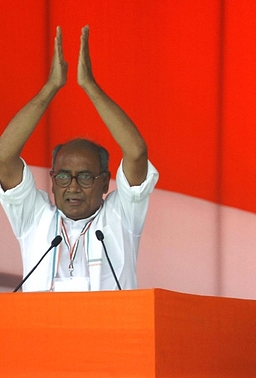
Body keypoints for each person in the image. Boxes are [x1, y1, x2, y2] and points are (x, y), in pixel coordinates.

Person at [0, 26, 159, 292]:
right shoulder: (35, 219)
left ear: (105, 181)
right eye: (63, 176)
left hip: (113, 333)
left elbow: (136, 152)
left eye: (85, 176)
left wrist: (90, 86)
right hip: (43, 333)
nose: (72, 186)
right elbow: (4, 157)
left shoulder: (121, 216)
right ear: (52, 181)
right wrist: (51, 87)